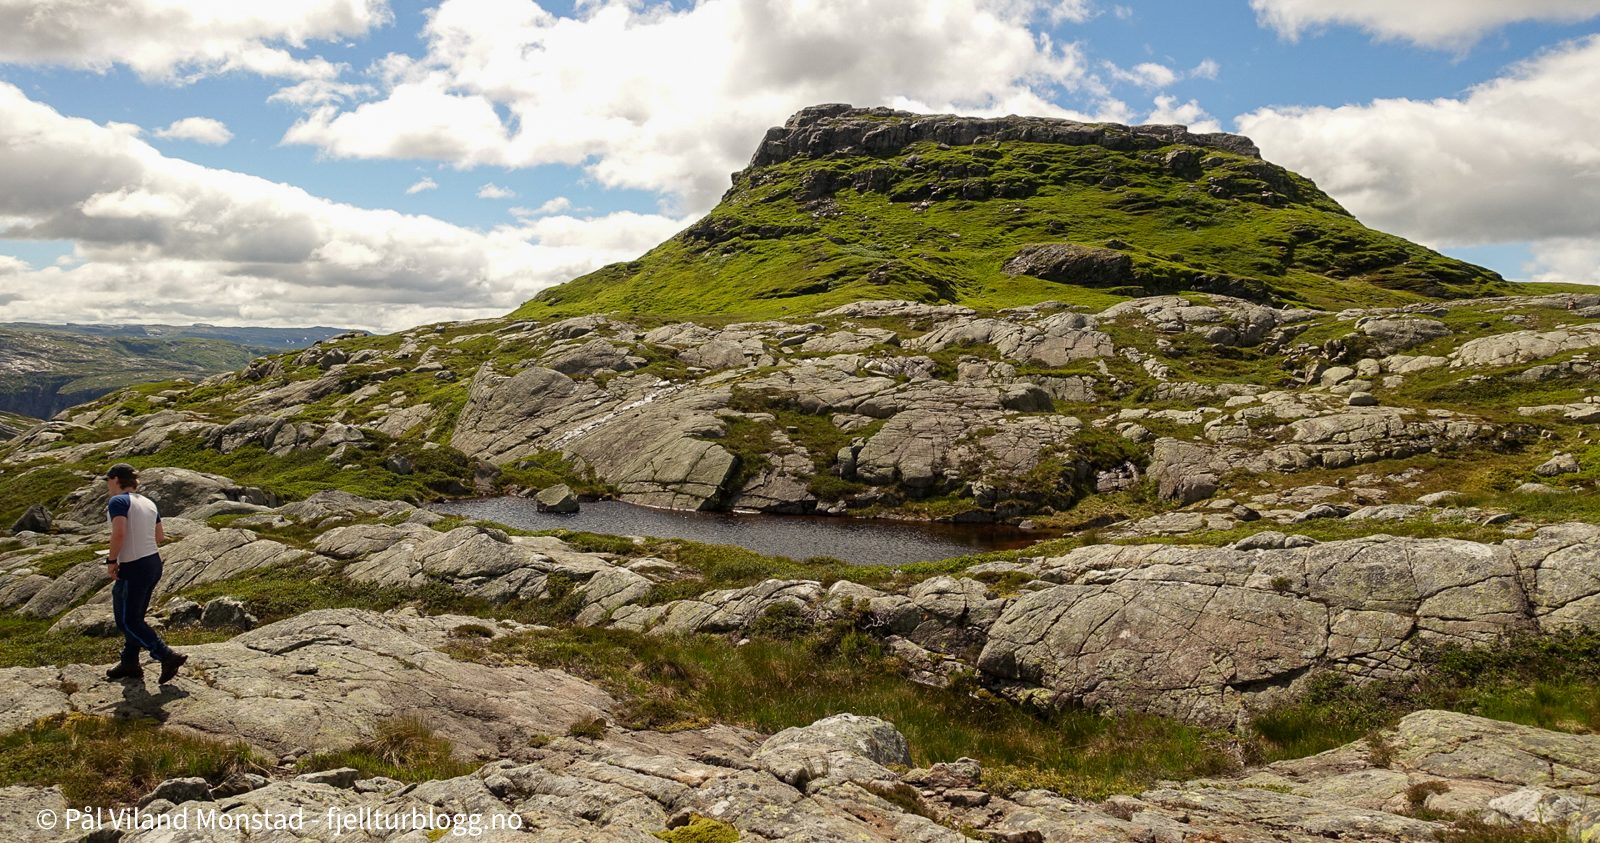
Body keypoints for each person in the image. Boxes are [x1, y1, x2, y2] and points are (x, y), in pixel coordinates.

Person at [103, 463, 187, 683]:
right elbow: (159, 536)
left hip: (134, 566)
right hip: (152, 562)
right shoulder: (149, 502)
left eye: (108, 481)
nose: (107, 486)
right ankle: (129, 662)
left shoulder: (118, 501)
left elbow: (119, 533)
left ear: (115, 479)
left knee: (129, 621)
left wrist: (112, 560)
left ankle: (166, 656)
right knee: (132, 615)